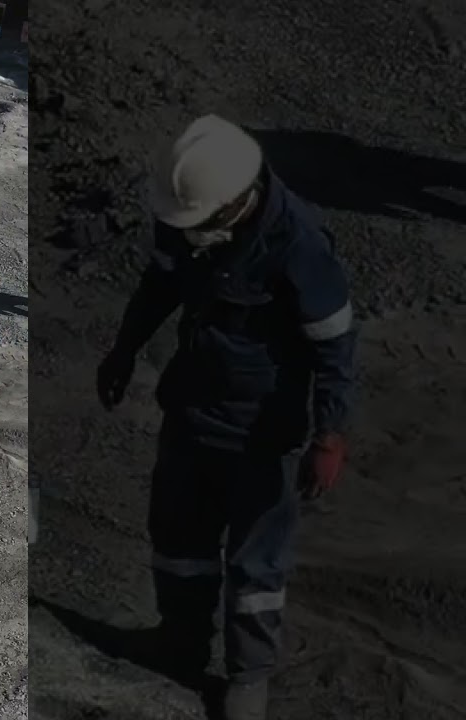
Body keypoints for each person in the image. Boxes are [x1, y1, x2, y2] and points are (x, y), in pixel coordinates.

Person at [96, 115, 357, 720]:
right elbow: (158, 285)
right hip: (192, 409)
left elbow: (335, 347)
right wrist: (125, 348)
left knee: (254, 564)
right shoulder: (189, 218)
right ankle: (180, 643)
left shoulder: (299, 246)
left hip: (263, 434)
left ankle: (249, 677)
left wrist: (331, 432)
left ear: (237, 205)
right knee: (178, 537)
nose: (187, 235)